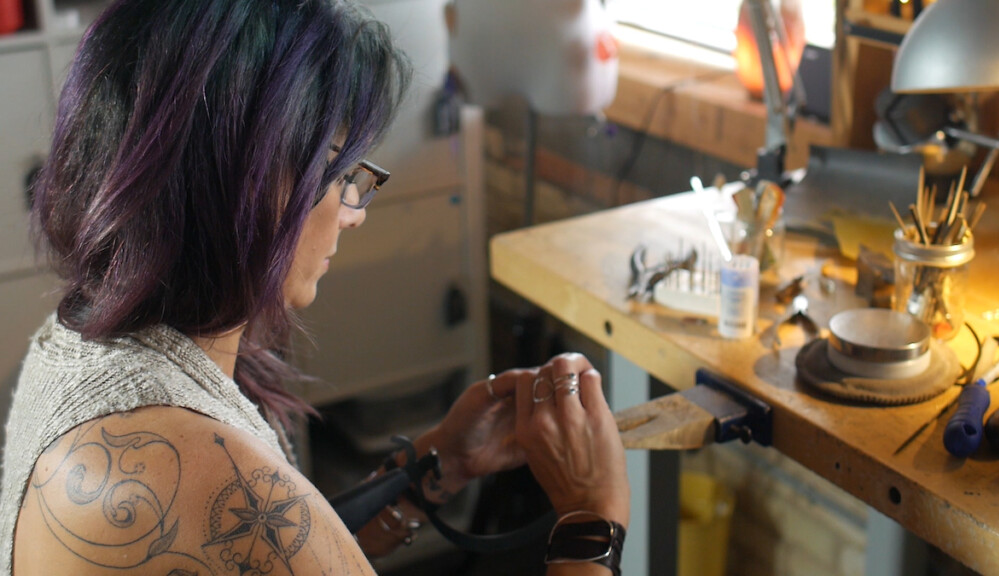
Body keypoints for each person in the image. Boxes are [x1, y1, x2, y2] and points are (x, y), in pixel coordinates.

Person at [0, 1, 630, 575]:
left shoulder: (75, 339)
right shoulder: (193, 469)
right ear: (243, 184)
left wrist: (437, 466)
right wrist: (589, 517)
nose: (353, 210)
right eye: (338, 172)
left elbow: (274, 548)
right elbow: (263, 536)